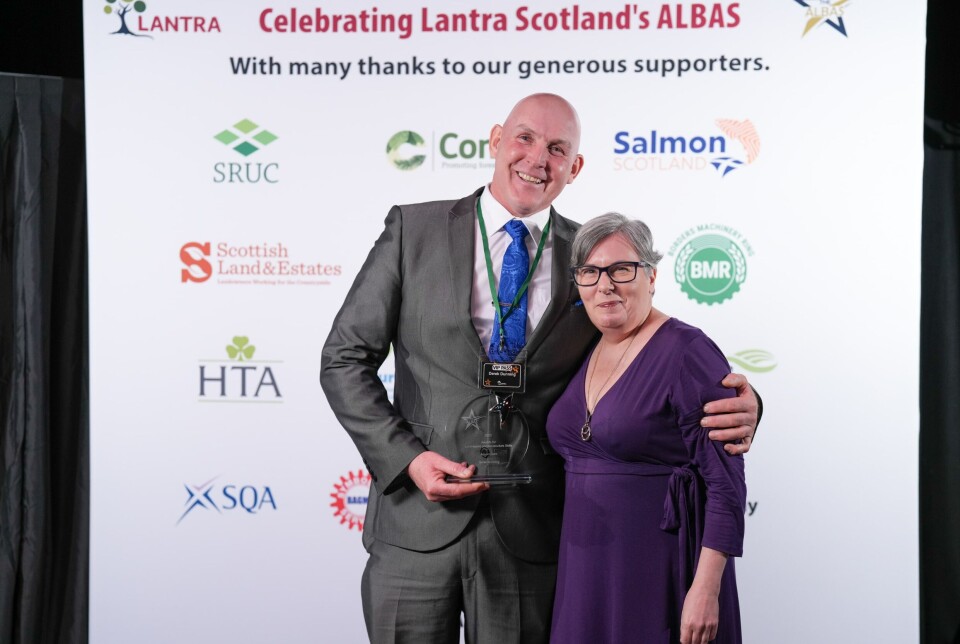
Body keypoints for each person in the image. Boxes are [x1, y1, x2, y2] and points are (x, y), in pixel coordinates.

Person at [320, 94, 758, 644]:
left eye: (557, 148)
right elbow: (343, 358)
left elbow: (655, 349)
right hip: (414, 527)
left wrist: (743, 403)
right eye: (524, 138)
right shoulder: (414, 230)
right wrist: (407, 460)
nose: (537, 158)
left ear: (574, 168)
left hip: (534, 540)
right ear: (496, 139)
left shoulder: (592, 258)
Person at [547, 213, 745, 644]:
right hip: (584, 573)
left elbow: (725, 484)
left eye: (622, 269)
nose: (606, 284)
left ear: (651, 276)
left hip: (661, 568)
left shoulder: (687, 350)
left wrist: (706, 589)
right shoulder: (583, 345)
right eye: (591, 272)